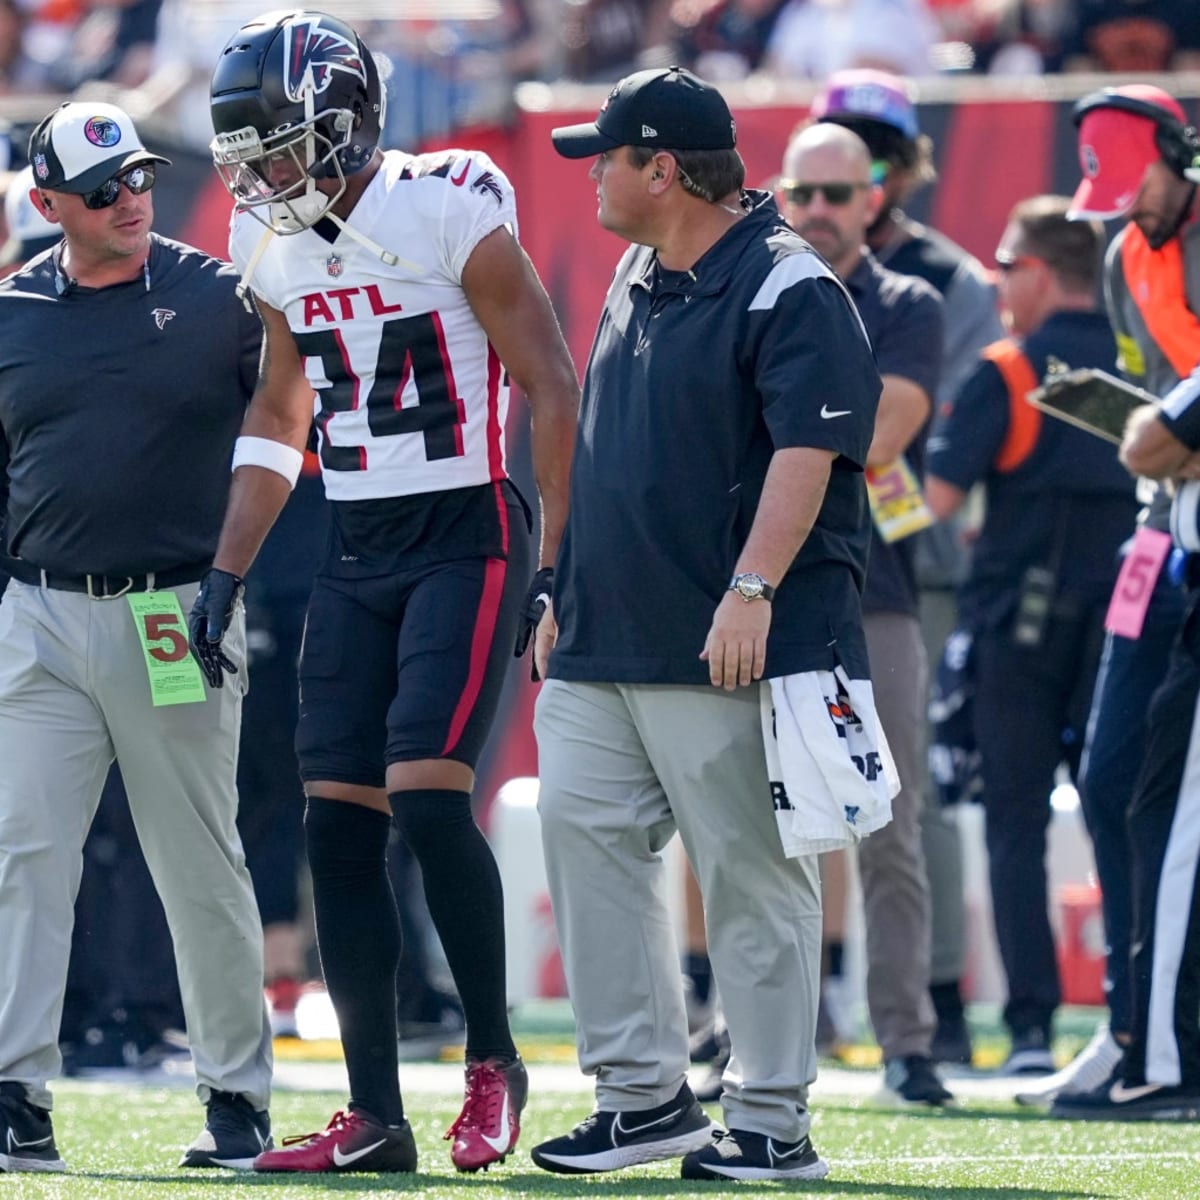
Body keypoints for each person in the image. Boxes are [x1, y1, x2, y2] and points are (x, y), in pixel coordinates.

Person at [194, 9, 579, 1174]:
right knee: (334, 822)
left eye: (281, 144)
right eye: (247, 152)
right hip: (355, 544)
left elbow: (550, 383)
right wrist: (228, 567)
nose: (263, 174)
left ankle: (494, 1062)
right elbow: (279, 413)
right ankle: (374, 1114)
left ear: (348, 124)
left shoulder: (449, 203)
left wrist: (554, 553)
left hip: (466, 528)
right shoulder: (274, 248)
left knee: (422, 791)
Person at [532, 66, 885, 1182]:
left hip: (725, 637)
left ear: (664, 170)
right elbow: (603, 451)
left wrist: (752, 590)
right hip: (605, 634)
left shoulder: (791, 284)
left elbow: (810, 452)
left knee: (749, 876)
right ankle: (643, 1099)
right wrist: (560, 588)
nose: (592, 176)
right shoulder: (637, 268)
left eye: (609, 157)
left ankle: (773, 1121)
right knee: (584, 846)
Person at [0, 100, 273, 1174]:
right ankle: (16, 1091)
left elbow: (287, 428)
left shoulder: (219, 300)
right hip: (38, 614)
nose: (132, 200)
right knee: (25, 854)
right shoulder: (11, 308)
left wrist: (236, 582)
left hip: (173, 609)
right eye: (104, 187)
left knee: (198, 860)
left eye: (141, 178)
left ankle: (237, 1097)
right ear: (48, 201)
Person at [811, 67, 1005, 1065]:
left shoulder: (943, 282)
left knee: (902, 789)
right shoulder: (780, 269)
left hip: (909, 556)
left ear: (900, 170)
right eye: (841, 146)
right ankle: (788, 1013)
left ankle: (930, 1001)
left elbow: (951, 417)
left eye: (874, 151)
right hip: (801, 553)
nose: (851, 178)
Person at [924, 195, 1138, 1075]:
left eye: (1005, 267)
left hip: (1017, 630)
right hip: (1128, 629)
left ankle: (1027, 1033)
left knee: (1015, 828)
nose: (994, 283)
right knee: (1124, 821)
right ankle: (1136, 1021)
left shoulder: (1010, 368)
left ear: (1041, 273)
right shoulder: (1143, 369)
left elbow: (933, 501)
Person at [779, 121, 950, 1106]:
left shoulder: (907, 301)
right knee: (752, 828)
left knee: (891, 825)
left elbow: (881, 435)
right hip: (767, 592)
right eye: (803, 192)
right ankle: (756, 1031)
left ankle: (908, 1040)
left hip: (871, 591)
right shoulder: (753, 296)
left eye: (838, 194)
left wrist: (786, 444)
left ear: (875, 199)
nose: (819, 212)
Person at [1047, 85, 1200, 1121]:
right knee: (1106, 779)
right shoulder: (1119, 257)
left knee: (1171, 807)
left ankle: (1167, 1050)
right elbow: (1151, 405)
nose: (1126, 208)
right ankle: (1129, 1020)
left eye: (1133, 180)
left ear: (1179, 154)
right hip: (1166, 518)